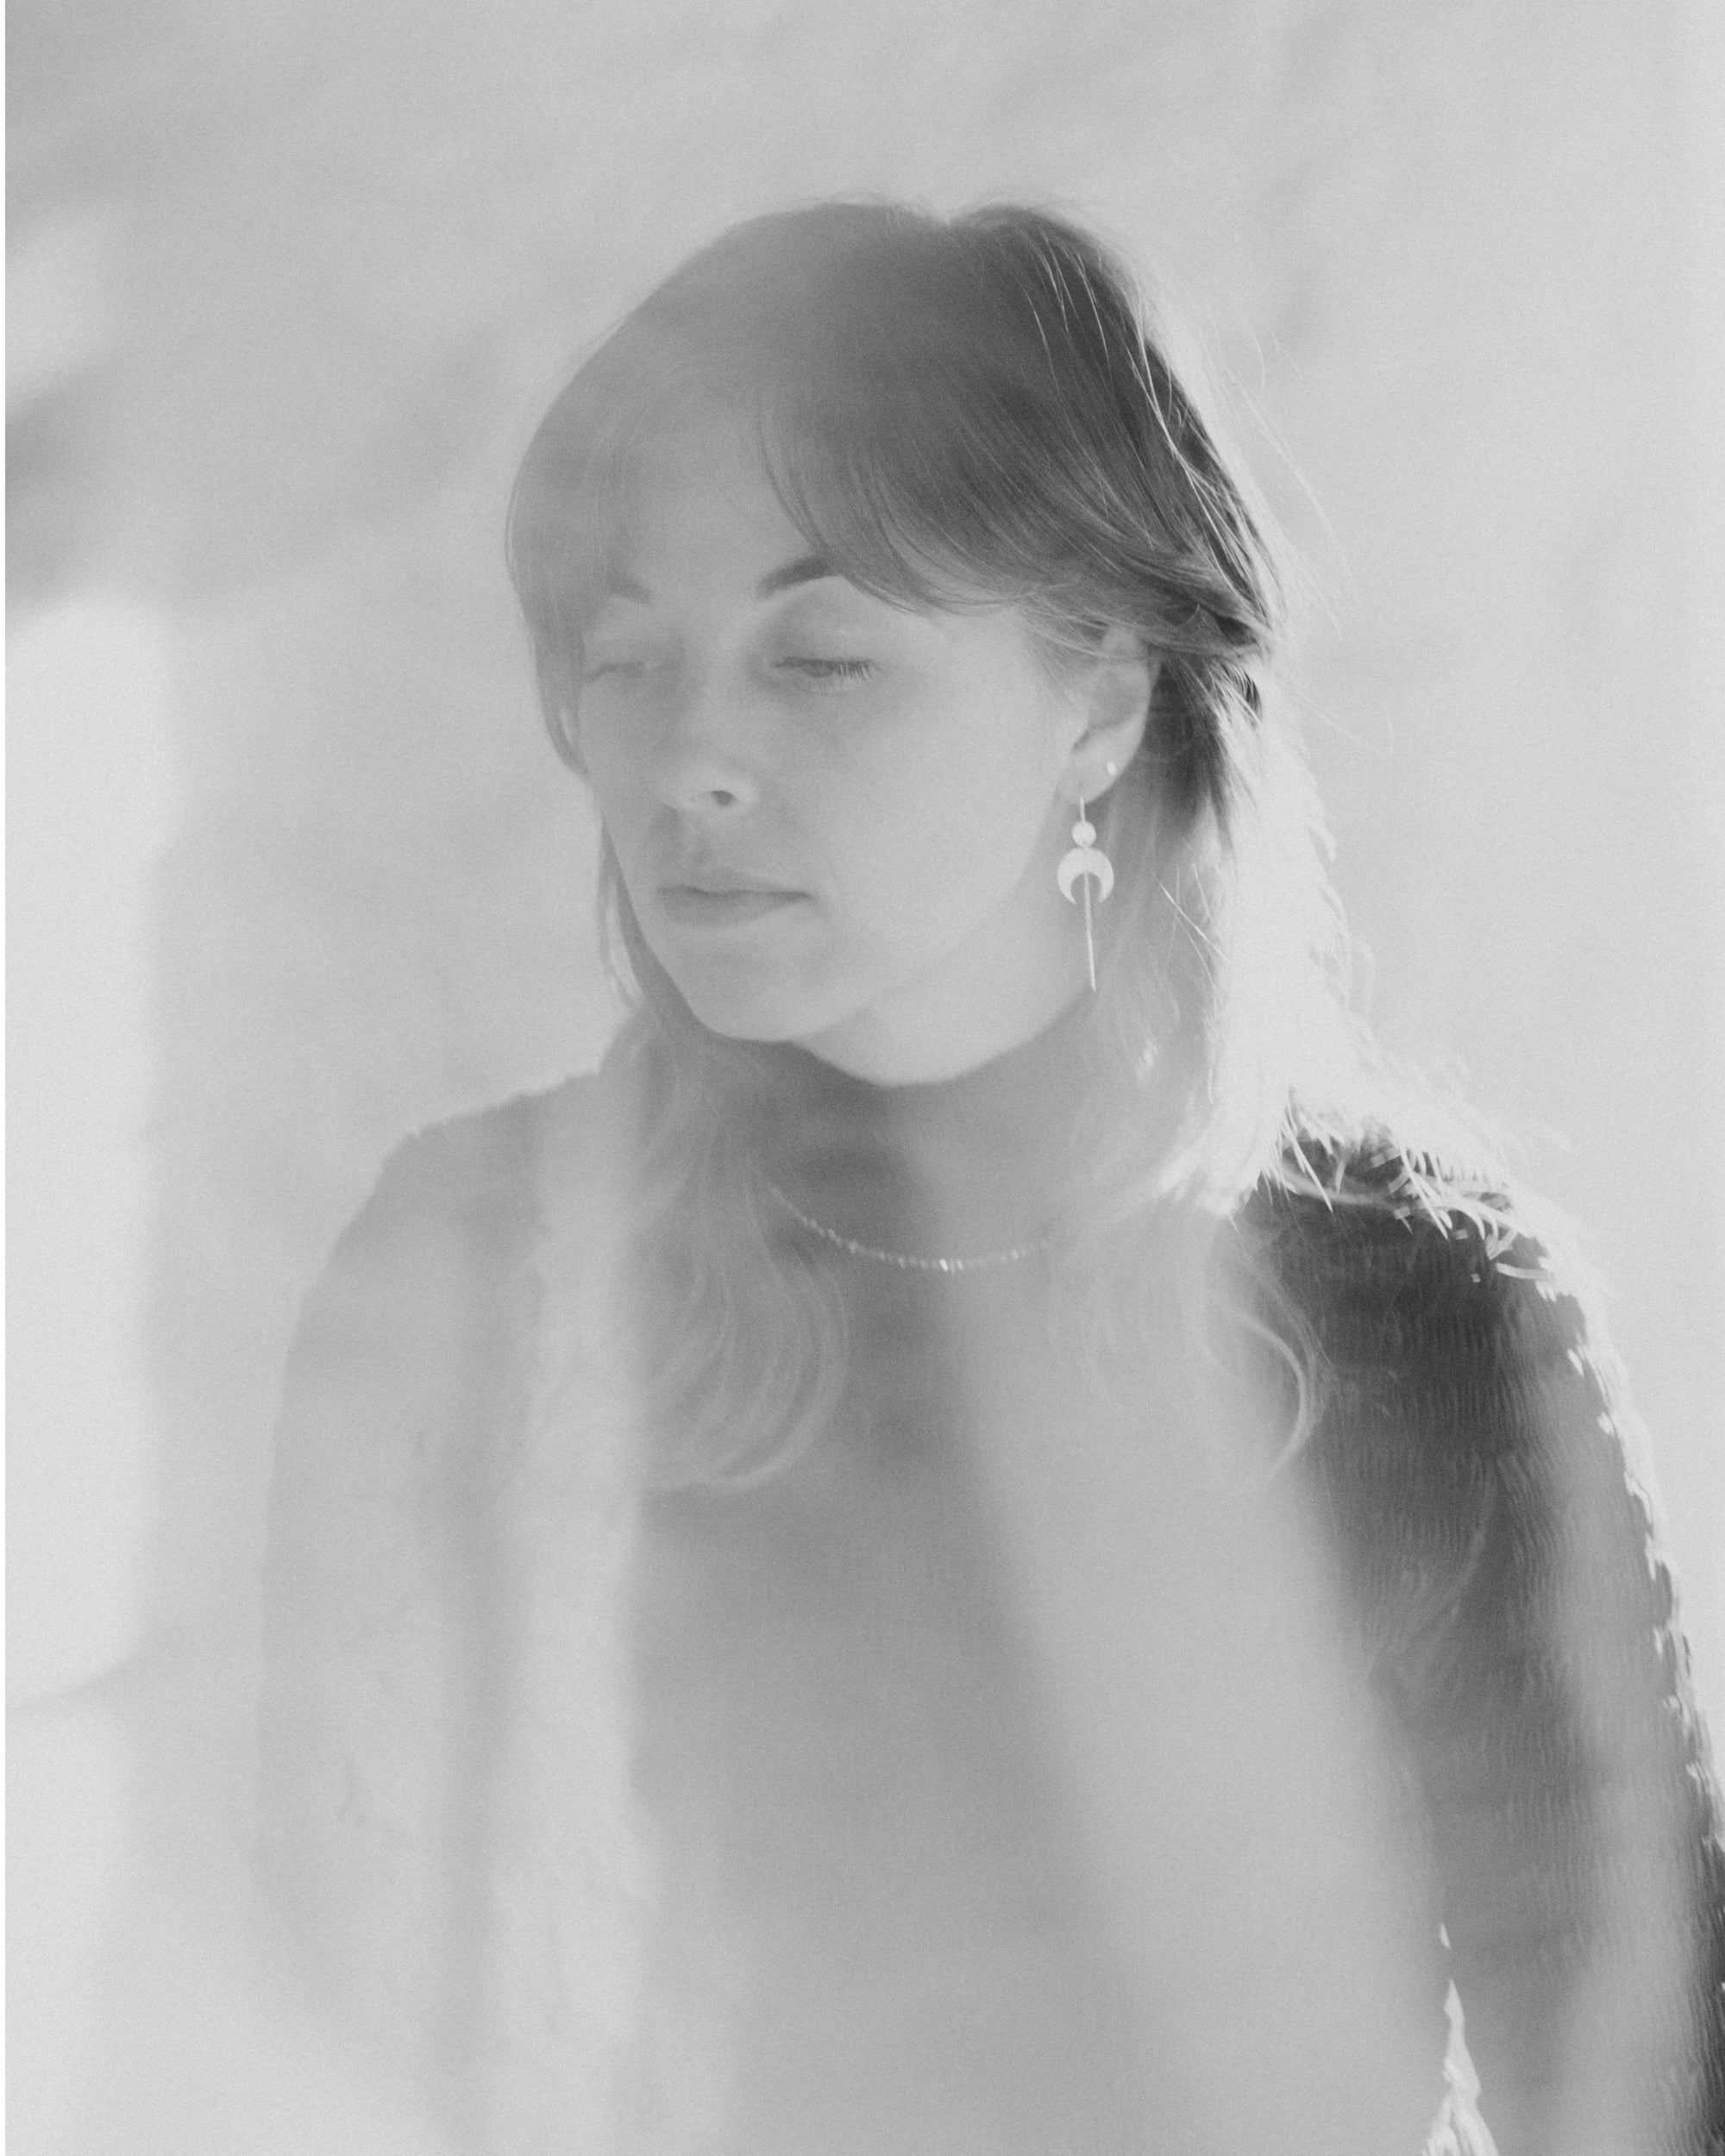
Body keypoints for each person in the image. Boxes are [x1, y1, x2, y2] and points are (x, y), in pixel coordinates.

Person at [255, 202, 1725, 2155]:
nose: (685, 753)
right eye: (626, 655)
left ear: (1099, 699)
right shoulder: (466, 1271)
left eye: (821, 655)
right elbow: (301, 2052)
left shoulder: (1417, 1314)